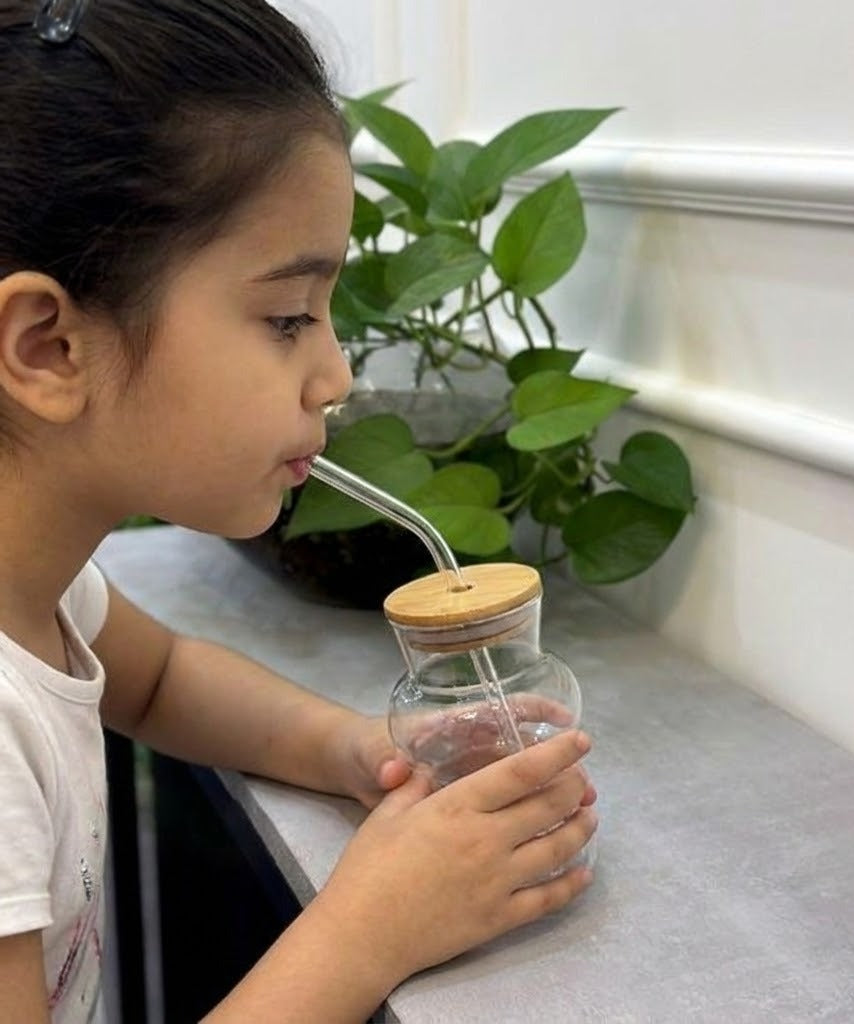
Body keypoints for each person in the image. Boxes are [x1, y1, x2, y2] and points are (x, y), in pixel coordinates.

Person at [0, 1, 598, 1021]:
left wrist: (356, 749)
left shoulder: (38, 587)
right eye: (285, 318)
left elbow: (161, 678)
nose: (334, 376)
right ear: (49, 347)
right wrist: (371, 926)